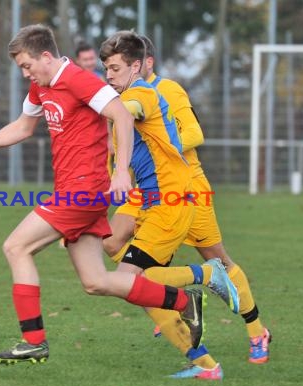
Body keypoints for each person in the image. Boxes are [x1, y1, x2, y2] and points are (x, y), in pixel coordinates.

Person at [0, 24, 235, 371]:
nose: (25, 73)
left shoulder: (78, 79)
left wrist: (119, 173)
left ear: (45, 55)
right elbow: (23, 127)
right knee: (96, 282)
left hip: (84, 190)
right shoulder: (40, 87)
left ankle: (33, 341)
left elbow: (120, 115)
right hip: (72, 190)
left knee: (16, 247)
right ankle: (182, 301)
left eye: (27, 65)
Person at [102, 34, 272, 365]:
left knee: (219, 260)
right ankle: (171, 298)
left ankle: (256, 330)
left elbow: (194, 133)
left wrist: (162, 138)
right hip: (148, 187)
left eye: (115, 66)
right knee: (111, 241)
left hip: (186, 184)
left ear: (144, 63)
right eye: (107, 67)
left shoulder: (167, 90)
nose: (109, 73)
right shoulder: (120, 98)